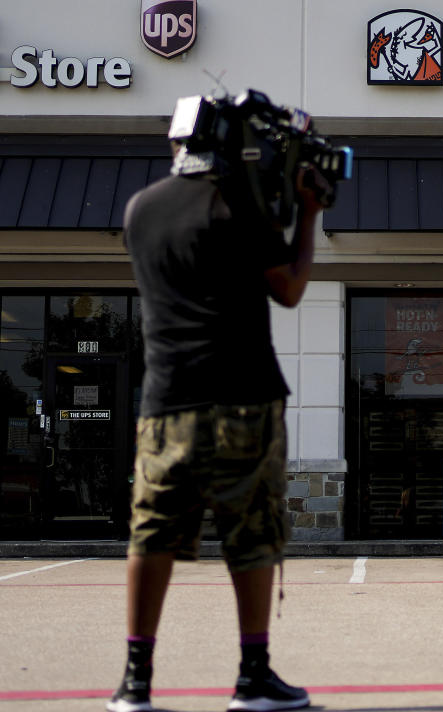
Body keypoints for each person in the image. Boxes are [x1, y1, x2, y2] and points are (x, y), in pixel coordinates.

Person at [107, 146, 329, 712]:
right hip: (243, 396)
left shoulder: (139, 209)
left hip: (165, 400)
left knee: (151, 531)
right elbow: (290, 287)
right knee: (251, 532)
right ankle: (253, 676)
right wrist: (306, 213)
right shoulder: (242, 207)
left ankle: (135, 680)